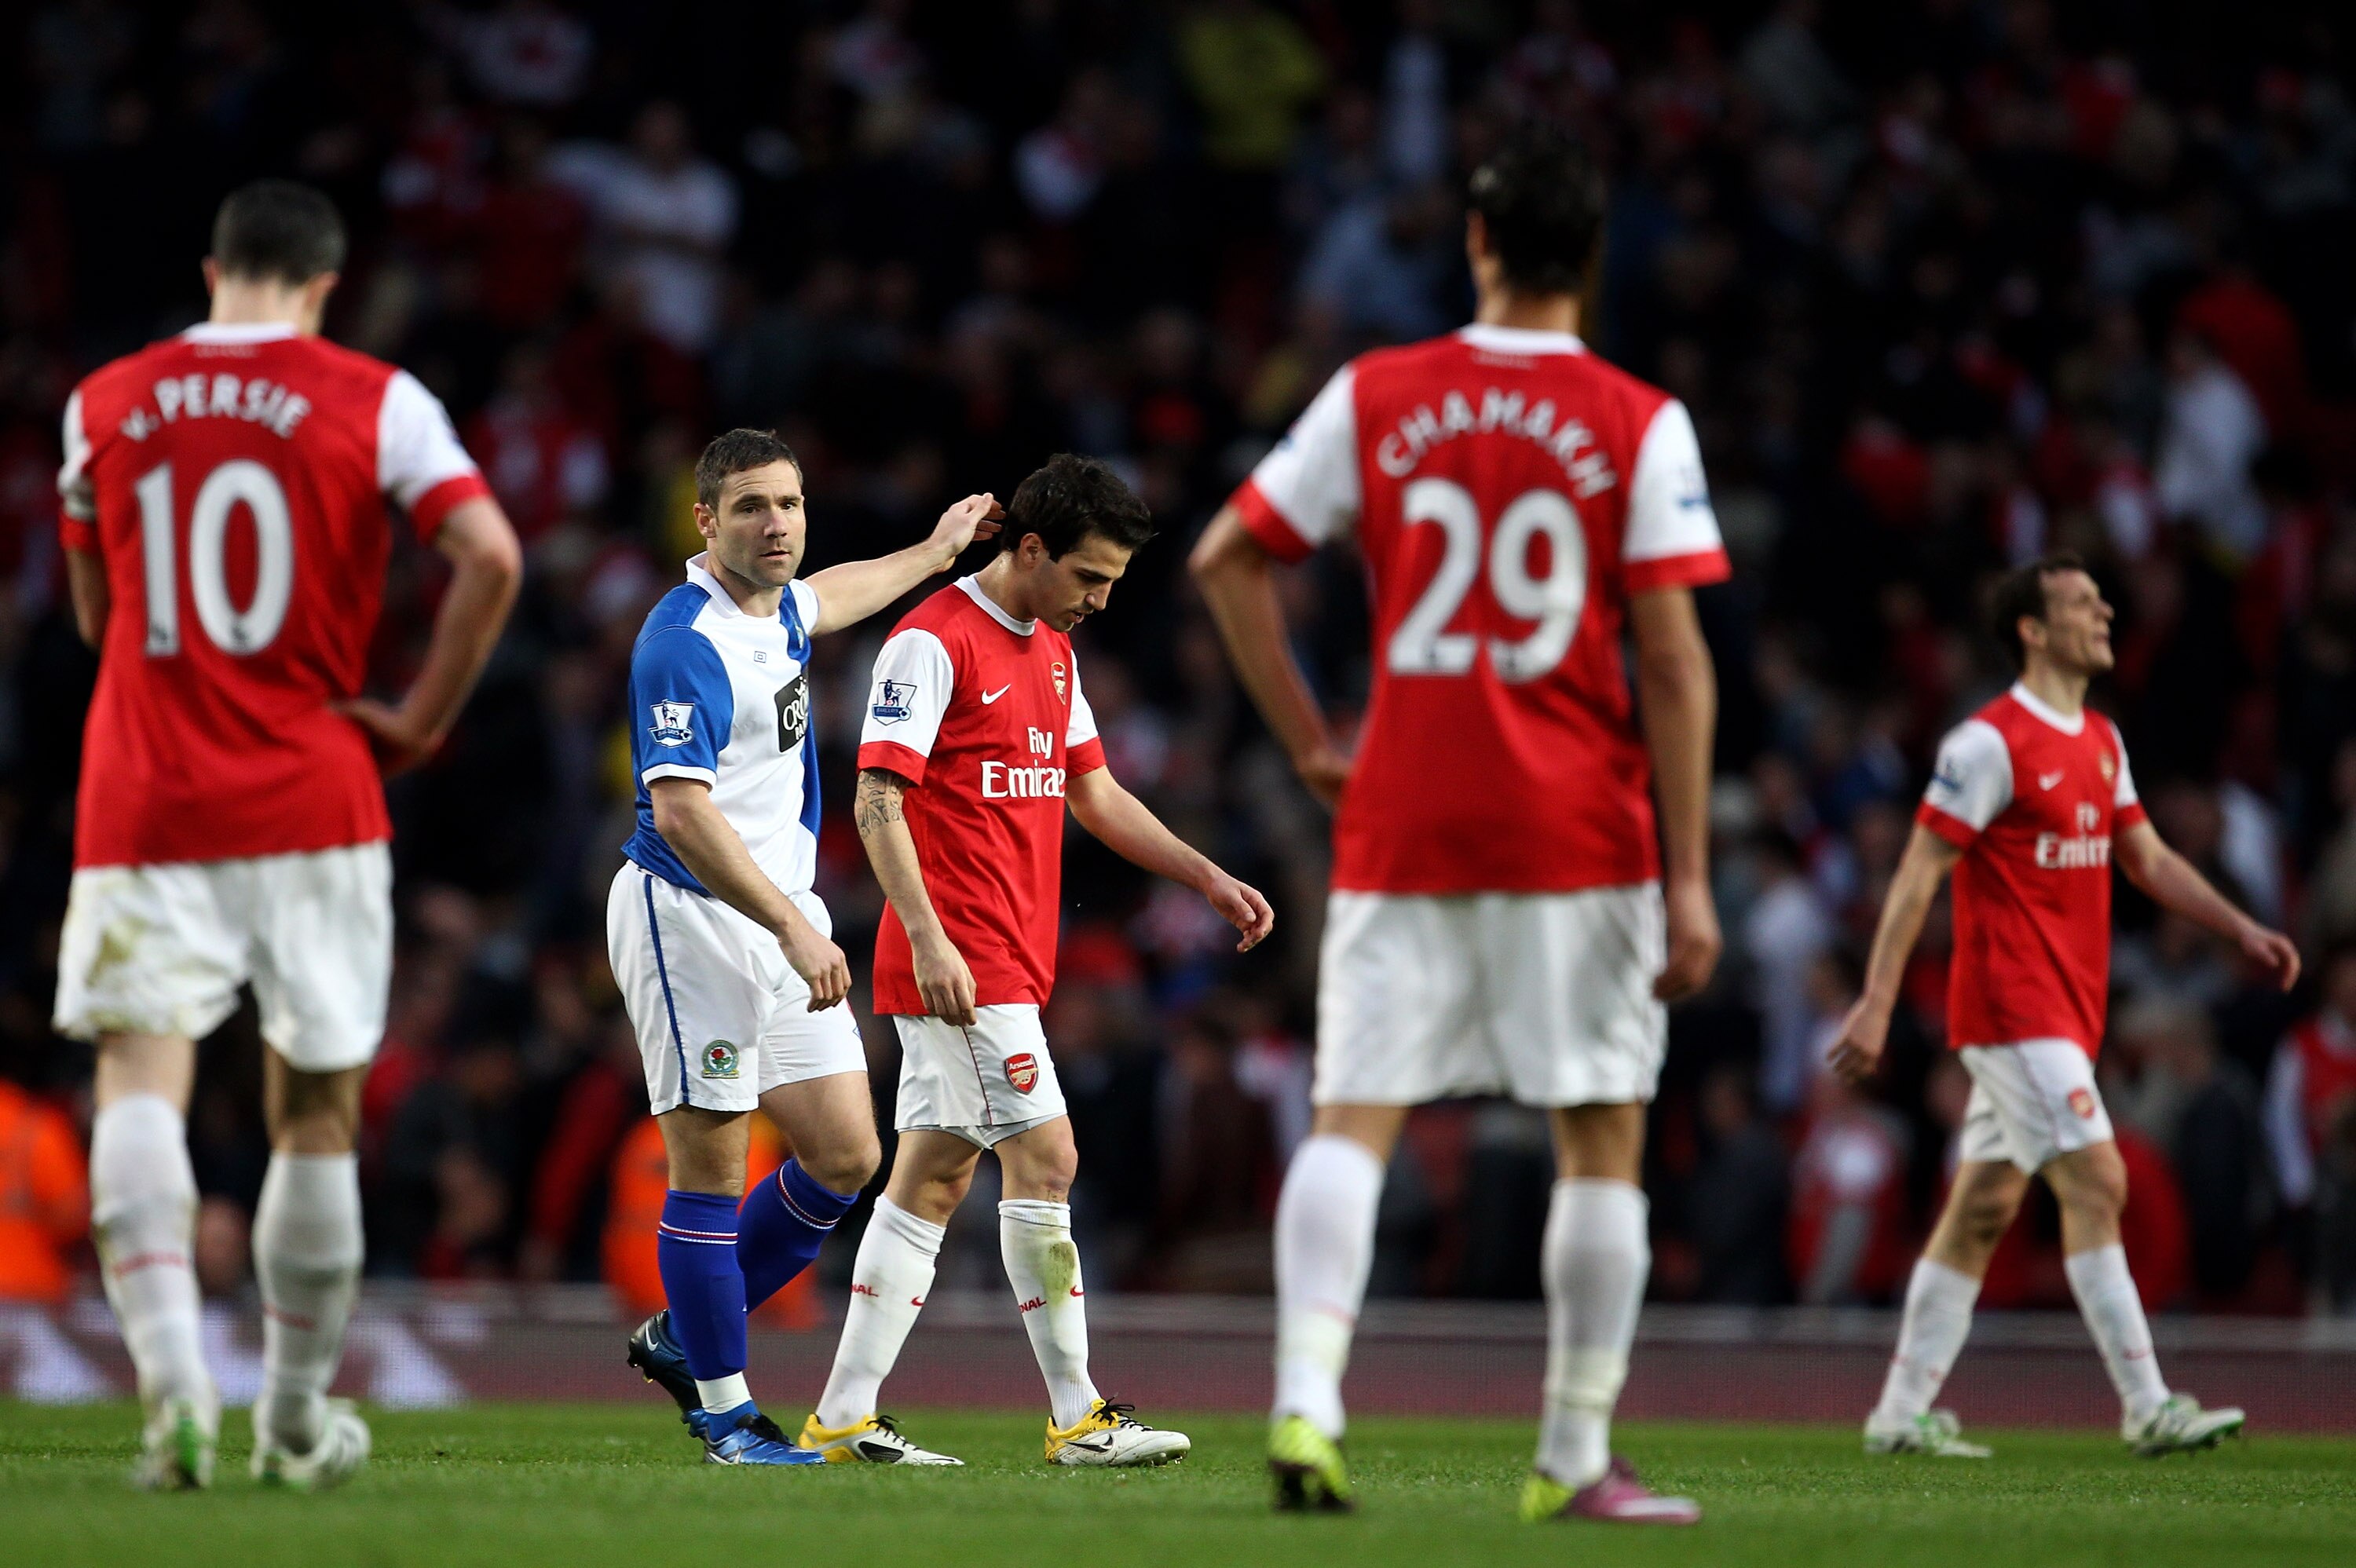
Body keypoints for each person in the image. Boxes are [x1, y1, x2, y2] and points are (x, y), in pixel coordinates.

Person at [1190, 121, 1724, 1524]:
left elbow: (1226, 558)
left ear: (1476, 241)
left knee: (1353, 1117)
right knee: (1599, 1137)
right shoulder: (1637, 418)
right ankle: (1571, 1455)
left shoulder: (1377, 392)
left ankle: (1307, 1403)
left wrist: (1314, 742)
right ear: (1590, 256)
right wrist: (1695, 877)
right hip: (1582, 834)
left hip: (1403, 815)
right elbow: (1671, 658)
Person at [53, 180, 523, 1489]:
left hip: (146, 795)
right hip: (318, 795)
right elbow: (489, 555)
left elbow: (98, 619)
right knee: (315, 1110)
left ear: (214, 271)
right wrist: (420, 718)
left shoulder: (104, 403)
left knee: (139, 1083)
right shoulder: (379, 397)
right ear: (324, 283)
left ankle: (171, 1396)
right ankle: (298, 1420)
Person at [801, 453, 1273, 1468]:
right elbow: (876, 799)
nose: (1101, 600)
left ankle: (842, 1414)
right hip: (958, 962)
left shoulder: (1053, 651)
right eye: (1089, 576)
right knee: (1048, 1157)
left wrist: (1205, 876)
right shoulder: (931, 641)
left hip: (1009, 959)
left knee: (930, 1182)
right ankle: (1077, 1414)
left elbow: (1094, 794)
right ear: (1029, 549)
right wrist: (928, 937)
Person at [1829, 552, 2300, 1459]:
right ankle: (2147, 1401)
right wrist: (1879, 1001)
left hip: (2065, 1013)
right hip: (2013, 1005)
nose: (2106, 611)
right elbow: (1919, 870)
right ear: (2032, 630)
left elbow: (2149, 859)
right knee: (2099, 1179)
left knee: (1980, 1209)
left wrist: (2238, 925)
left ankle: (1898, 1411)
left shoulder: (2101, 740)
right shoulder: (1987, 743)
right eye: (2083, 603)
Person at [606, 428, 1003, 1466]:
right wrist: (788, 924)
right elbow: (684, 813)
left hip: (782, 915)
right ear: (705, 520)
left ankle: (685, 1338)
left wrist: (932, 551)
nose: (774, 524)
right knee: (712, 1161)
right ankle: (730, 1419)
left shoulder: (776, 606)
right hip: (692, 914)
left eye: (787, 503)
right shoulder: (680, 639)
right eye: (749, 506)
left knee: (844, 1156)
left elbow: (836, 592)